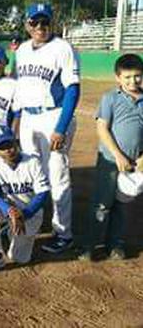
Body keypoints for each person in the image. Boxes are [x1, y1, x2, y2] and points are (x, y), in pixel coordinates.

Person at [12, 3, 80, 254]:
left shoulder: (63, 48)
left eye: (45, 22)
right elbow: (18, 88)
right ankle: (30, 221)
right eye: (34, 22)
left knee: (57, 176)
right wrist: (16, 123)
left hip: (53, 116)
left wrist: (61, 128)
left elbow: (73, 89)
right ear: (27, 24)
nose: (40, 27)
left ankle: (63, 233)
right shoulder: (21, 51)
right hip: (28, 118)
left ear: (52, 22)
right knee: (30, 173)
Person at [79, 54, 143, 261]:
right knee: (102, 204)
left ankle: (115, 244)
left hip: (134, 164)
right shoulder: (110, 98)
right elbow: (102, 129)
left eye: (138, 76)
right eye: (127, 77)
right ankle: (90, 245)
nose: (133, 81)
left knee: (123, 205)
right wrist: (118, 155)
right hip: (110, 161)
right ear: (118, 77)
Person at [0, 125, 50, 273]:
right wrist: (9, 210)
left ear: (16, 142)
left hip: (31, 212)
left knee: (19, 258)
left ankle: (9, 232)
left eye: (10, 144)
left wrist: (25, 213)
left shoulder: (33, 162)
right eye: (2, 147)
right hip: (8, 209)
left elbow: (43, 193)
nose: (8, 149)